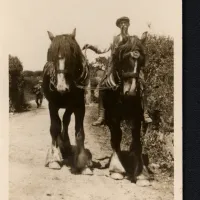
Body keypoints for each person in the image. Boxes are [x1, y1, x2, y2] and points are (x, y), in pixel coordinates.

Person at [83, 16, 152, 126]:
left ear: (129, 25)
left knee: (143, 83)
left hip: (130, 66)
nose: (123, 25)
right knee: (102, 85)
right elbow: (102, 49)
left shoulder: (133, 39)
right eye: (121, 23)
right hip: (115, 66)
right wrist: (91, 46)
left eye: (125, 23)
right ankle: (101, 115)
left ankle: (145, 113)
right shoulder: (114, 39)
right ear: (119, 26)